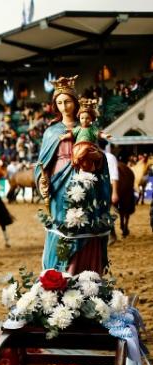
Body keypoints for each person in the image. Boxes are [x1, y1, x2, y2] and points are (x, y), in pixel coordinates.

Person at [35, 76, 112, 274]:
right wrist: (42, 181)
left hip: (86, 178)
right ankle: (62, 272)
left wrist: (98, 157)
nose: (63, 106)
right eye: (59, 102)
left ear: (75, 102)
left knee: (86, 220)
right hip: (59, 183)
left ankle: (88, 272)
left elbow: (99, 157)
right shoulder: (52, 131)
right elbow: (42, 163)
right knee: (65, 224)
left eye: (67, 101)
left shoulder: (87, 128)